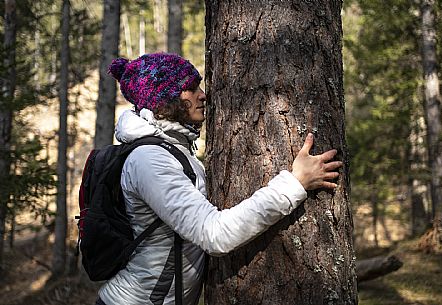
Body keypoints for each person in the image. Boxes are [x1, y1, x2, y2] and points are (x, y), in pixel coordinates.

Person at [95, 53, 342, 305]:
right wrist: (295, 183)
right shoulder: (150, 160)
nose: (202, 95)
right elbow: (215, 234)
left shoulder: (172, 149)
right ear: (164, 100)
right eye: (190, 88)